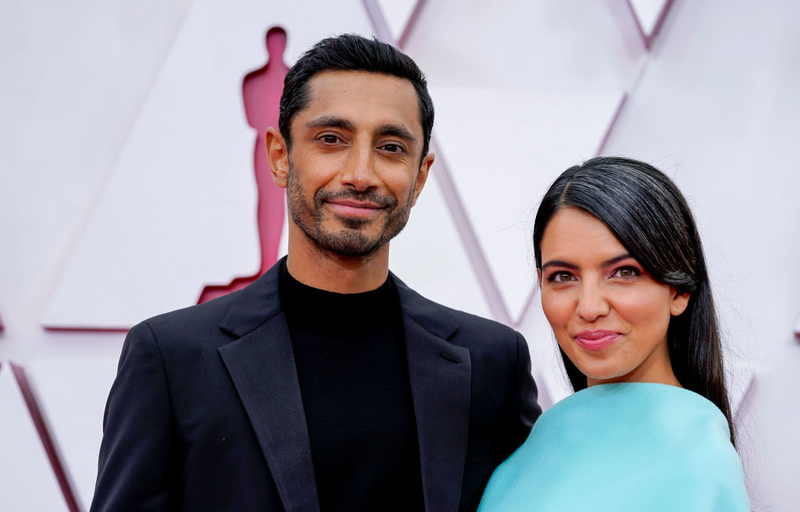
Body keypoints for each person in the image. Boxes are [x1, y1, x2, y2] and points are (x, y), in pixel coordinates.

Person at [90, 34, 541, 512]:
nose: (360, 174)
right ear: (281, 157)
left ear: (420, 177)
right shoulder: (170, 359)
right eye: (331, 139)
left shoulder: (493, 361)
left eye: (390, 147)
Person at [478, 157, 749, 511]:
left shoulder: (697, 463)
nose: (589, 307)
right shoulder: (533, 448)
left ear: (679, 290)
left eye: (624, 272)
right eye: (563, 276)